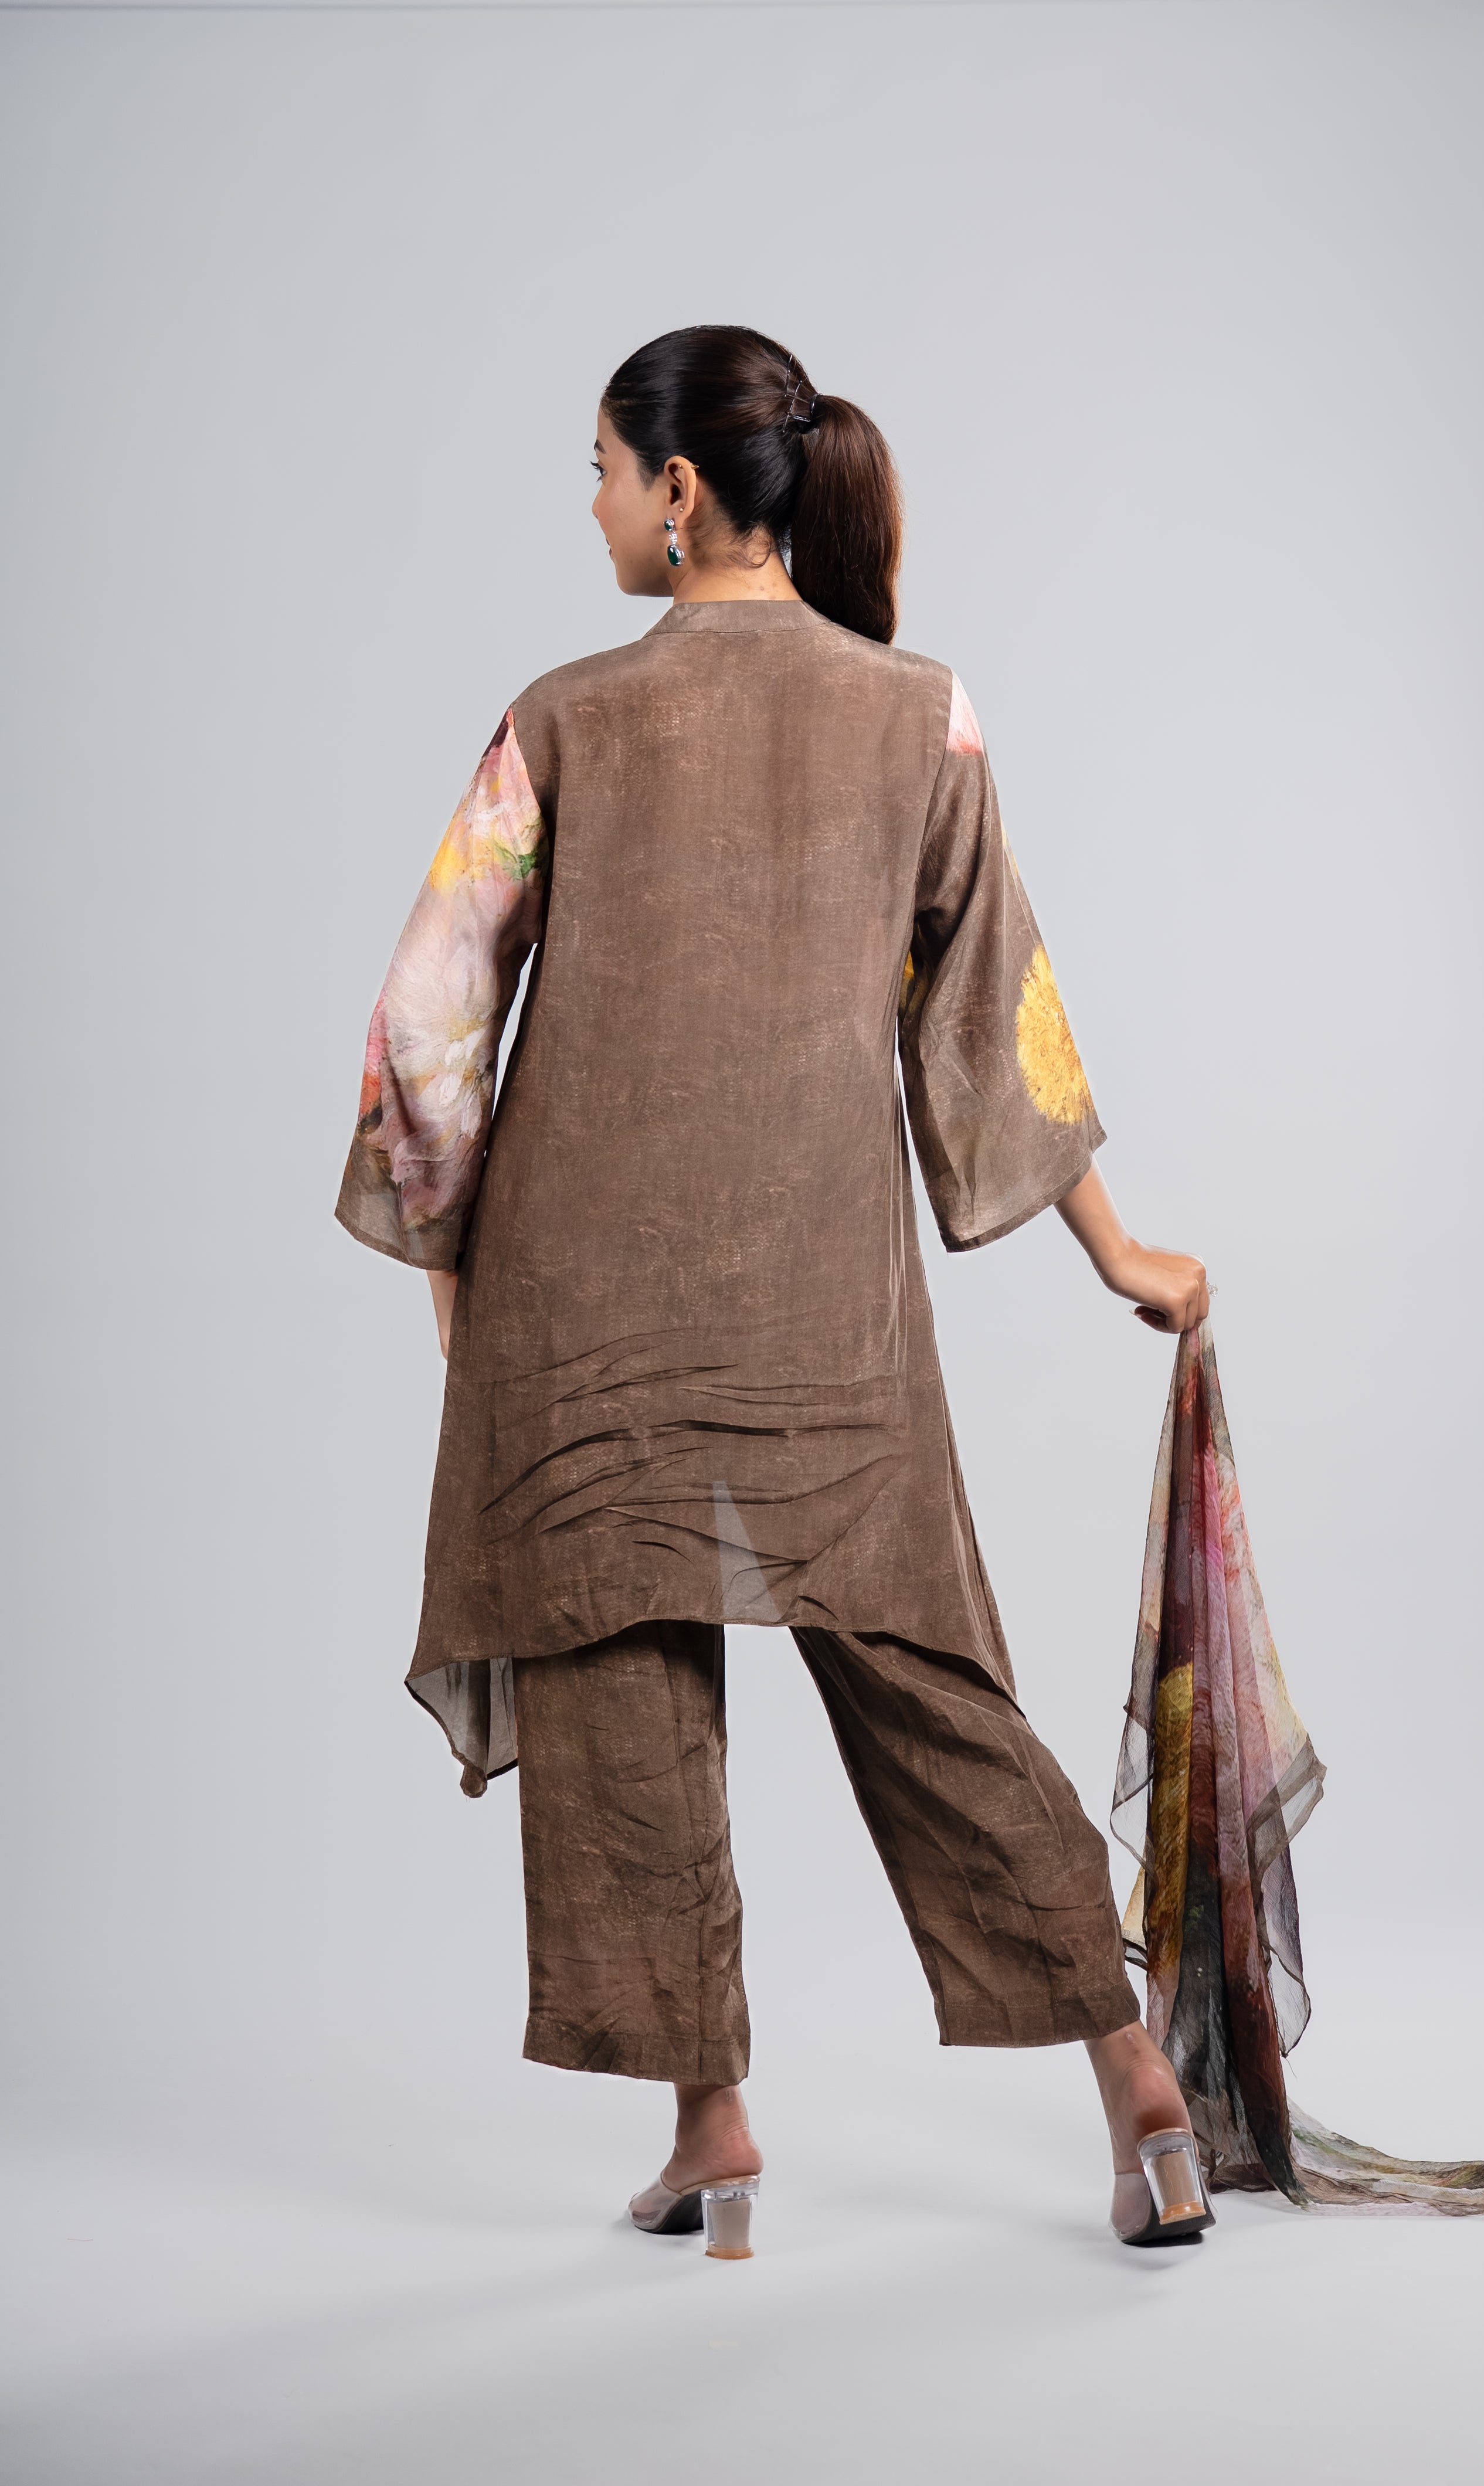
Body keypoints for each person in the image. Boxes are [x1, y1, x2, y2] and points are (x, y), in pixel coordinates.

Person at [336, 325, 1213, 2255]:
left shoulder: (562, 718)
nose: (588, 504)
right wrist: (1115, 1248)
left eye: (598, 469)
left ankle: (715, 2133)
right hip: (827, 1301)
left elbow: (429, 1019)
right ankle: (1138, 2084)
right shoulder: (921, 716)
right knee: (928, 1672)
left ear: (678, 493)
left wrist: (450, 1275)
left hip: (579, 1296)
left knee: (621, 1674)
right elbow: (994, 1006)